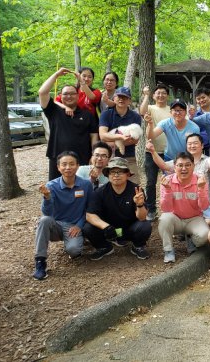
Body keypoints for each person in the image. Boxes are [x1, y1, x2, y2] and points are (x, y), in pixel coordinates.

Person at [33, 151, 94, 280]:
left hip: (74, 225)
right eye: (64, 164)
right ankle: (40, 262)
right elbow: (47, 213)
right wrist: (47, 197)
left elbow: (90, 209)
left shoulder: (86, 185)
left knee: (74, 251)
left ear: (77, 166)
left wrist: (79, 225)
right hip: (56, 225)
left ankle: (79, 240)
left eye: (72, 164)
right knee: (44, 220)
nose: (68, 167)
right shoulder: (52, 186)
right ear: (58, 167)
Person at [83, 157, 152, 261]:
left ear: (128, 174)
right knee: (88, 228)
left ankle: (138, 246)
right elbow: (89, 215)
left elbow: (142, 218)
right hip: (108, 231)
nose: (116, 175)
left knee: (145, 225)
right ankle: (104, 247)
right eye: (112, 172)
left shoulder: (136, 190)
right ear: (108, 175)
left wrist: (140, 205)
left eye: (120, 172)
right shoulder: (100, 192)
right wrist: (106, 227)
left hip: (129, 229)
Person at [39, 68, 99, 180]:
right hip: (58, 158)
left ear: (78, 96)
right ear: (60, 96)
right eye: (65, 94)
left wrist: (94, 155)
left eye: (72, 94)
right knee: (56, 187)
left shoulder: (87, 114)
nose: (69, 96)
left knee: (81, 187)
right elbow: (42, 92)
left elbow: (94, 136)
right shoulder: (53, 111)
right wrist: (56, 74)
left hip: (82, 159)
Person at [147, 133, 210, 226]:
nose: (192, 146)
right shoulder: (180, 161)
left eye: (195, 143)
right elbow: (164, 166)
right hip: (182, 204)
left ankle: (193, 229)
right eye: (189, 143)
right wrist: (153, 151)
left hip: (204, 204)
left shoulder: (207, 160)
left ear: (202, 145)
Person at [159, 153, 210, 263]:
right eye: (180, 165)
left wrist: (201, 189)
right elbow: (165, 208)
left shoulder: (200, 180)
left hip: (194, 219)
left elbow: (204, 206)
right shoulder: (167, 181)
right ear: (174, 166)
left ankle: (191, 238)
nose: (184, 169)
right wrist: (167, 189)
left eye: (188, 165)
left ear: (193, 166)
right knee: (164, 219)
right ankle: (168, 250)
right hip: (175, 219)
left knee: (205, 235)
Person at [139, 84, 170, 221]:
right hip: (151, 151)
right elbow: (142, 111)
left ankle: (171, 209)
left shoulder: (171, 109)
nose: (161, 95)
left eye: (164, 93)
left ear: (167, 96)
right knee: (151, 182)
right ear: (154, 95)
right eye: (158, 93)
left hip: (168, 152)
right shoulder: (150, 108)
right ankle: (151, 210)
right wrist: (146, 95)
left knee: (171, 181)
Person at [98, 86, 143, 182]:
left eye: (125, 97)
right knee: (109, 185)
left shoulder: (136, 116)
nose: (121, 99)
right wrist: (120, 137)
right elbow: (103, 136)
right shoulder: (106, 114)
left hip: (129, 157)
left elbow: (135, 139)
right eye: (119, 97)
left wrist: (111, 142)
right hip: (109, 157)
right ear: (114, 98)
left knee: (134, 185)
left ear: (129, 101)